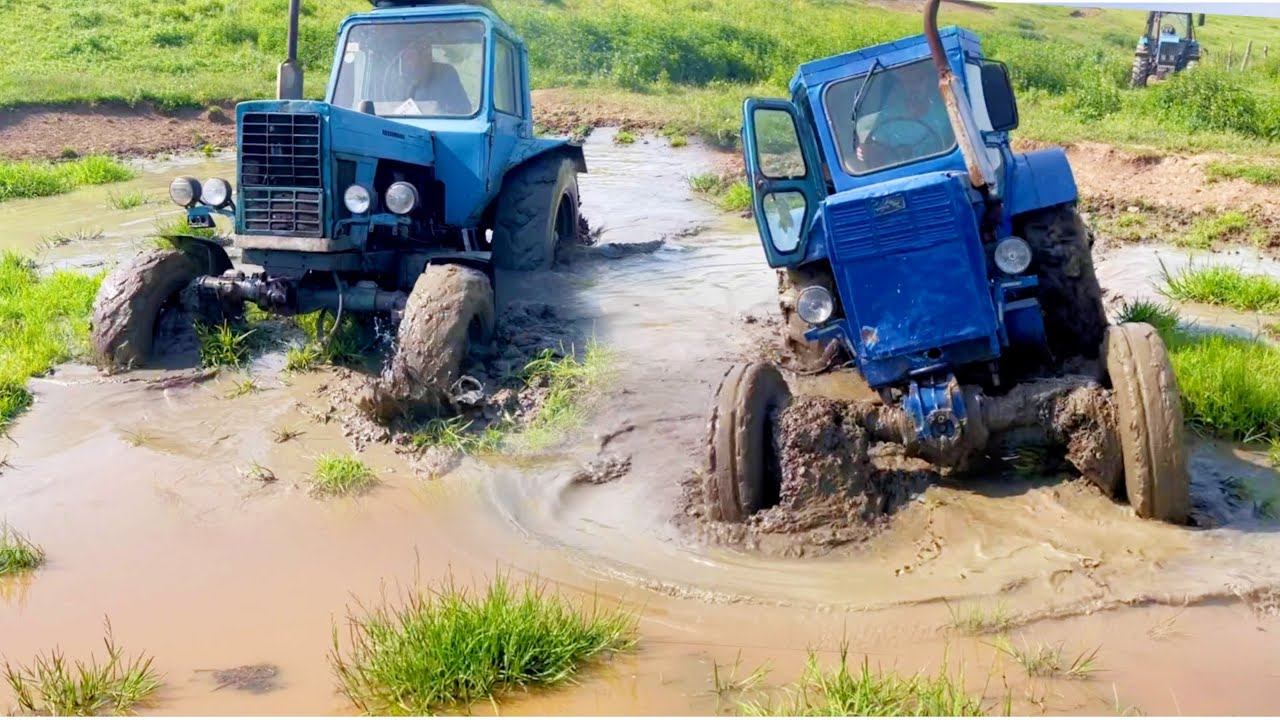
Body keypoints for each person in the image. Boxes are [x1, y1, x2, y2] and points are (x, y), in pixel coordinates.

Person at [850, 69, 953, 172]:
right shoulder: (891, 111)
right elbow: (879, 146)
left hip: (939, 169)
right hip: (897, 173)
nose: (913, 87)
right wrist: (866, 151)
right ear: (902, 85)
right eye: (908, 82)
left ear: (927, 82)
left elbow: (954, 144)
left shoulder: (944, 110)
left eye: (918, 81)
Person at [393, 43, 472, 116]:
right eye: (408, 56)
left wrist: (438, 111)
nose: (410, 61)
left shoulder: (446, 73)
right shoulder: (395, 78)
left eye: (427, 53)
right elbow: (390, 110)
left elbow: (464, 110)